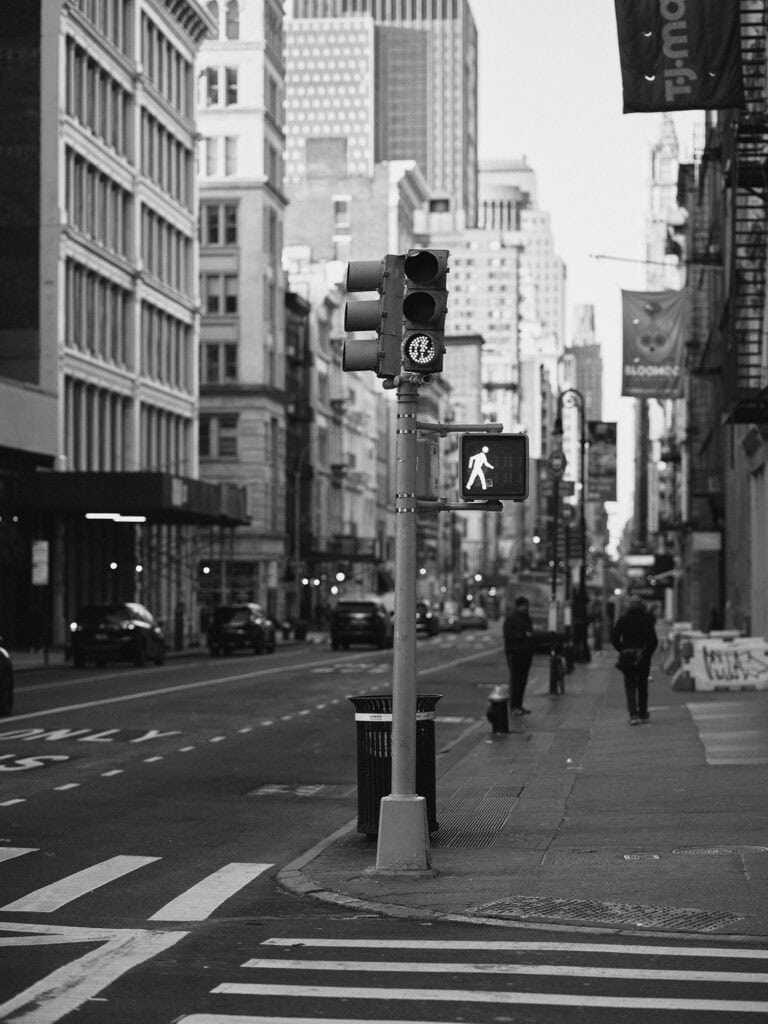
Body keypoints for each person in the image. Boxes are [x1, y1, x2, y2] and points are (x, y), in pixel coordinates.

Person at [611, 595, 658, 725]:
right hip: (643, 656)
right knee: (643, 684)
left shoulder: (623, 619)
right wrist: (647, 654)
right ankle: (643, 712)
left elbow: (614, 639)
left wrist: (623, 650)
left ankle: (633, 714)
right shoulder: (646, 620)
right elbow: (653, 641)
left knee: (630, 684)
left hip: (627, 657)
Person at [503, 596, 535, 716]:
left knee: (522, 681)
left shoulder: (526, 618)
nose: (526, 608)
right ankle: (514, 706)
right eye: (524, 605)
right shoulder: (512, 618)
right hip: (515, 653)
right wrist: (523, 635)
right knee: (516, 681)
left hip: (525, 653)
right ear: (519, 606)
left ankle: (519, 705)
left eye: (527, 605)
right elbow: (508, 633)